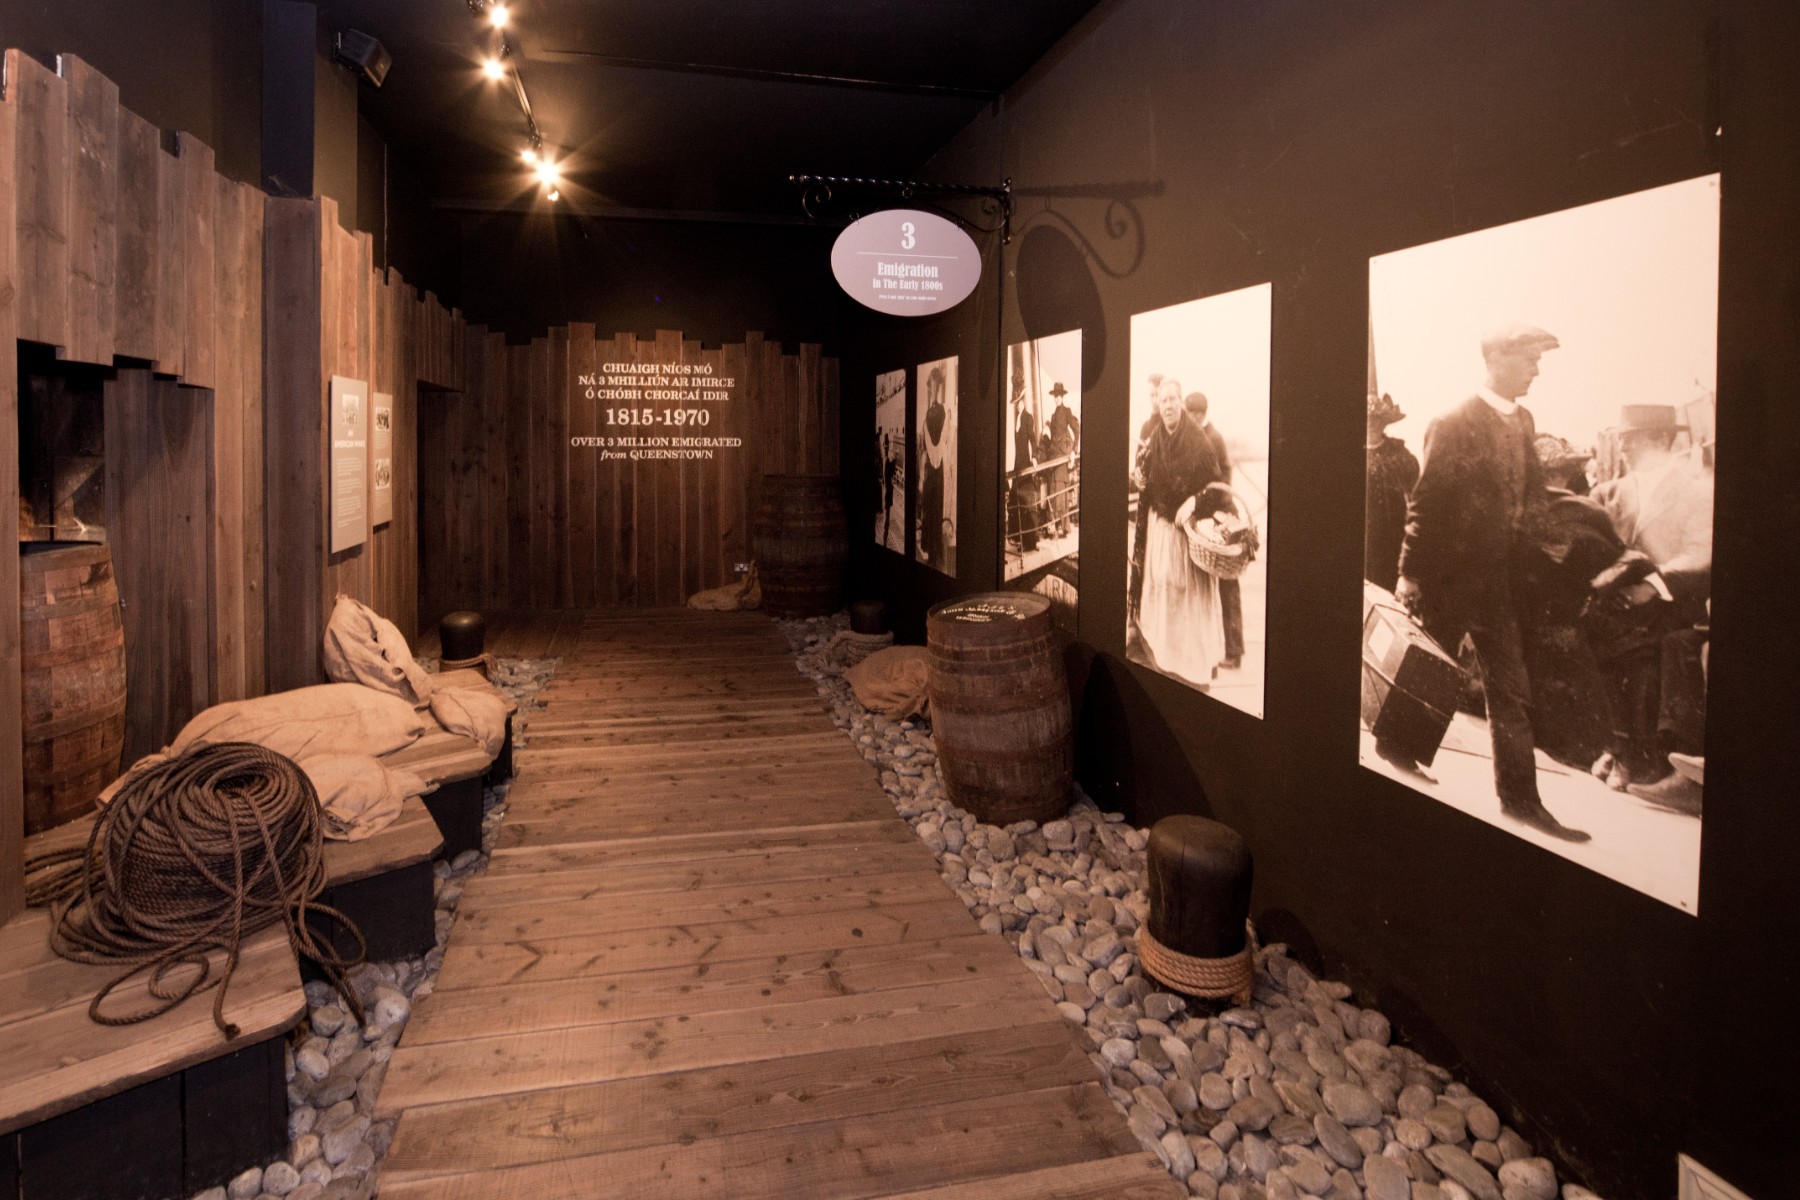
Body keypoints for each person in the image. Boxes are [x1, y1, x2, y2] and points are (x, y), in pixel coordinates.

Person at [1395, 323, 1589, 842]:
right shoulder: (1452, 422)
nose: (1536, 369)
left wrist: (1557, 550)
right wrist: (1410, 573)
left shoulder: (1524, 420)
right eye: (1529, 359)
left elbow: (1532, 496)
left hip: (1499, 583)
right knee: (1429, 672)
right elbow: (1425, 502)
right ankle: (1396, 757)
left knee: (1511, 686)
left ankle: (1521, 800)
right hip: (1448, 579)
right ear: (1498, 358)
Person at [1587, 404, 1712, 801]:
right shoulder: (1610, 491)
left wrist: (1653, 585)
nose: (1621, 445)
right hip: (1614, 605)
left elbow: (1700, 553)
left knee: (1646, 657)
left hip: (1671, 606)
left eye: (1631, 438)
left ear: (1661, 439)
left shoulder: (1698, 491)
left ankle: (1647, 761)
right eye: (1620, 438)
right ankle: (1617, 749)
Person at [1133, 375, 1228, 687]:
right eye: (1163, 401)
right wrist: (1140, 480)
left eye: (1173, 399)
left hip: (1186, 537)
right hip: (1162, 533)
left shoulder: (1198, 441)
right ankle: (1166, 660)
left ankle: (1192, 669)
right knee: (1164, 595)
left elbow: (1218, 489)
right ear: (1159, 408)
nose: (1168, 406)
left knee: (1188, 598)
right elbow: (1144, 480)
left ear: (1181, 402)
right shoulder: (1156, 438)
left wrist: (1195, 502)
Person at [1187, 391, 1244, 668]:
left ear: (1202, 413)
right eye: (1191, 414)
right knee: (1214, 585)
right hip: (1210, 516)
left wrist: (1215, 515)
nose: (1193, 419)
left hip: (1222, 515)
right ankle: (1217, 648)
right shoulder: (1199, 436)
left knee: (1227, 584)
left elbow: (1222, 480)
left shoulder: (1213, 438)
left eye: (1195, 414)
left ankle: (1234, 651)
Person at [1364, 391, 1420, 592]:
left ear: (1383, 422)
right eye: (1367, 419)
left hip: (1391, 537)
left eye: (1375, 419)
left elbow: (1417, 498)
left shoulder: (1399, 454)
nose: (1370, 424)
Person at [917, 365, 948, 569]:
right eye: (932, 386)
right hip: (935, 467)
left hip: (932, 467)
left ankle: (930, 549)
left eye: (934, 386)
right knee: (933, 506)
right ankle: (932, 549)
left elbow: (927, 446)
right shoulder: (940, 412)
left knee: (932, 507)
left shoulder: (933, 413)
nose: (933, 389)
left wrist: (927, 462)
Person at [1047, 383, 1080, 537]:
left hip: (1062, 458)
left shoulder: (1066, 412)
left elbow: (1077, 429)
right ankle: (1055, 527)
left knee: (1062, 495)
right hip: (1053, 460)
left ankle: (1064, 529)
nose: (1057, 399)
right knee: (1053, 494)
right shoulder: (1053, 416)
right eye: (1055, 396)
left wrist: (1074, 451)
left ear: (1062, 397)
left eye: (1059, 396)